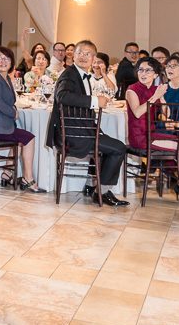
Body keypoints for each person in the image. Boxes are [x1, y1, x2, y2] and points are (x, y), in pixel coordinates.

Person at [48, 41, 129, 207]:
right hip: (73, 135)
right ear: (74, 55)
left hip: (83, 130)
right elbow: (62, 96)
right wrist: (94, 100)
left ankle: (97, 187)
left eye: (88, 54)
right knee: (119, 148)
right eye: (80, 53)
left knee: (112, 146)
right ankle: (101, 191)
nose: (83, 57)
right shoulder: (69, 74)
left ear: (94, 59)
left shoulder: (82, 75)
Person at [125, 57, 179, 207]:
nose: (143, 73)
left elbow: (166, 113)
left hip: (151, 133)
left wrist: (163, 102)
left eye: (148, 70)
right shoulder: (131, 90)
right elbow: (137, 112)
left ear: (155, 75)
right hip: (139, 137)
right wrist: (156, 97)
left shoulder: (155, 89)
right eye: (141, 69)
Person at [0, 47, 46, 193]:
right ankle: (28, 178)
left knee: (19, 138)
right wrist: (13, 113)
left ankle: (7, 173)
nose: (3, 61)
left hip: (1, 124)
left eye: (7, 58)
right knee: (28, 138)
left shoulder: (5, 78)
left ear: (12, 62)